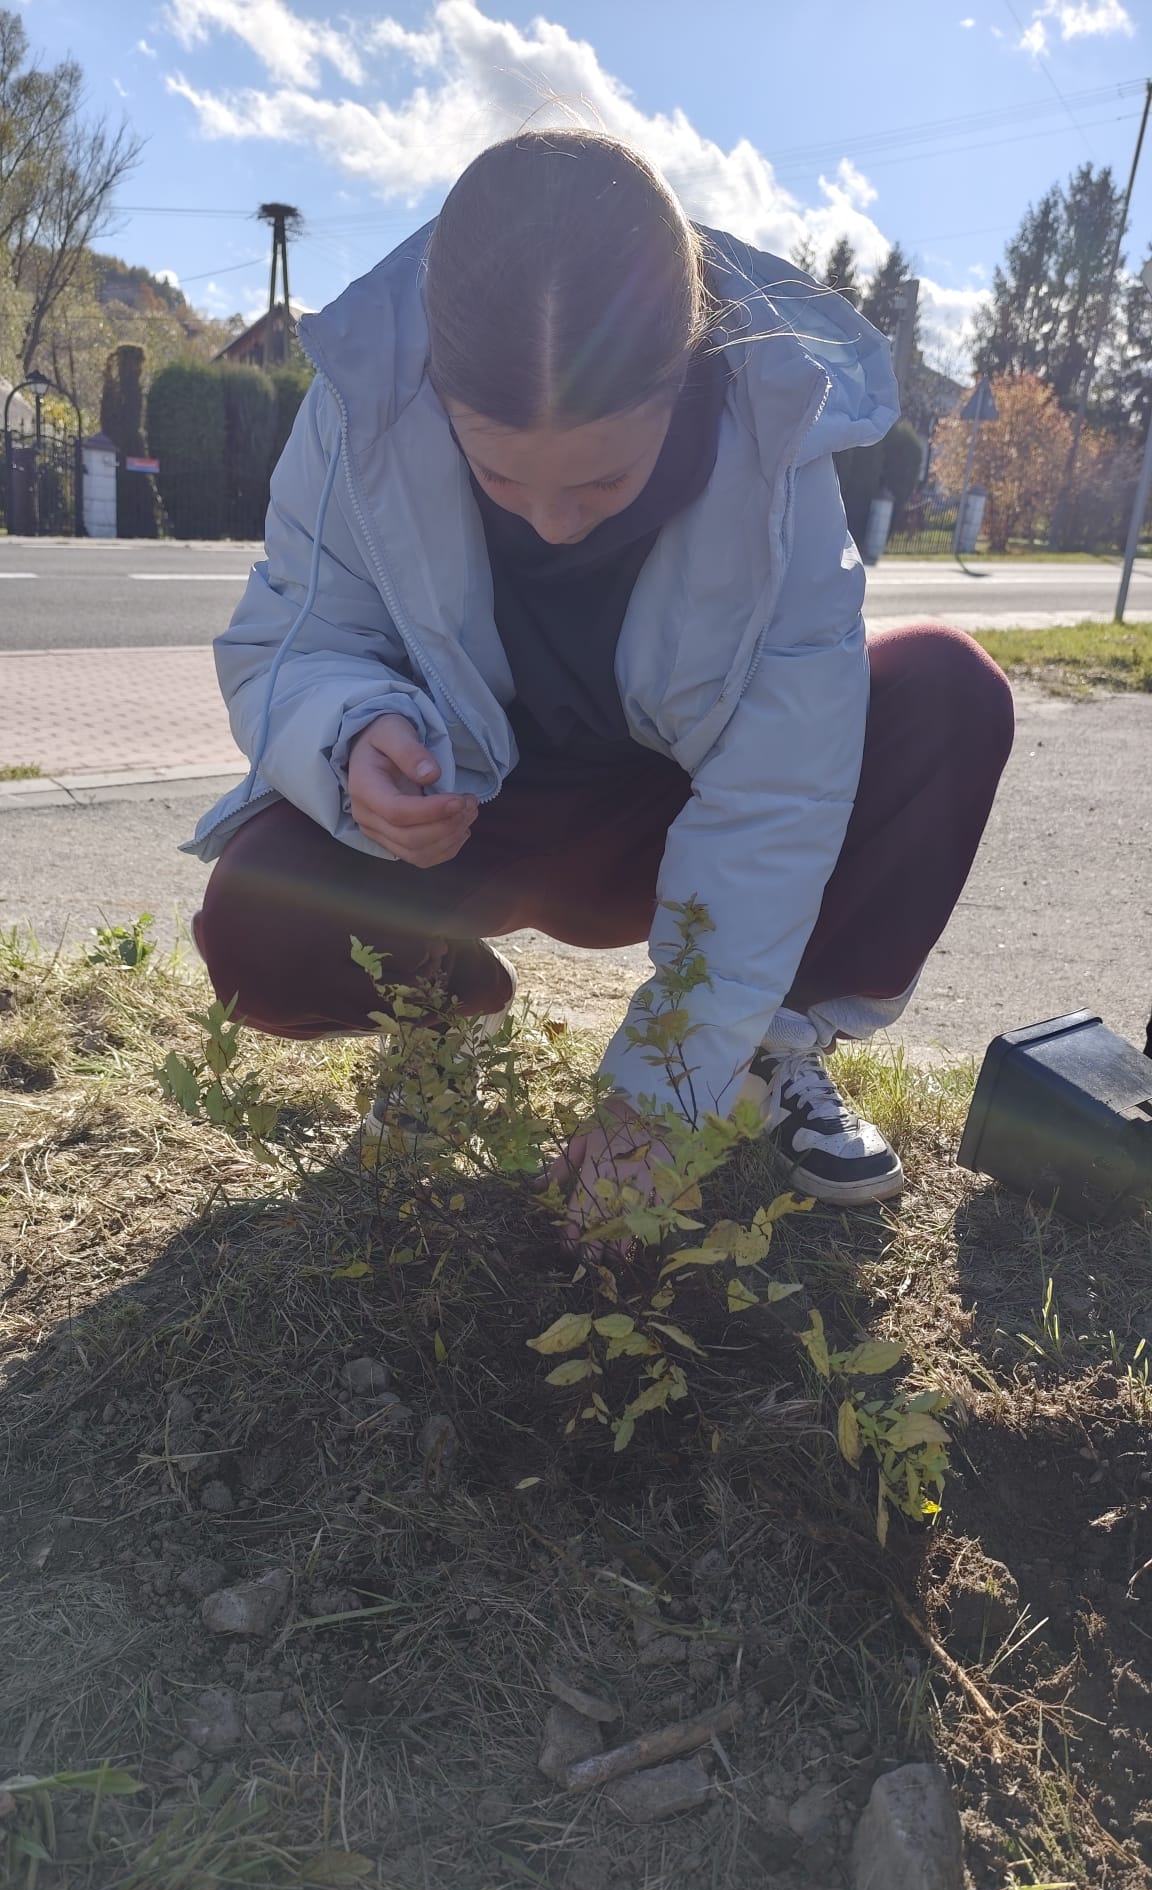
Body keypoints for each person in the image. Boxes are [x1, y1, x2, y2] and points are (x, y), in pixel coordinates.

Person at [189, 130, 1014, 1225]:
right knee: (258, 915)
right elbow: (291, 641)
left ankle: (769, 1049)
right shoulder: (359, 410)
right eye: (498, 475)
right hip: (465, 813)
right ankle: (440, 1025)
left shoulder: (777, 454)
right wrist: (350, 735)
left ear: (684, 376)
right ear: (437, 389)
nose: (552, 521)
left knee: (945, 689)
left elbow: (777, 796)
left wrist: (665, 1096)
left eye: (604, 478)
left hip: (665, 821)